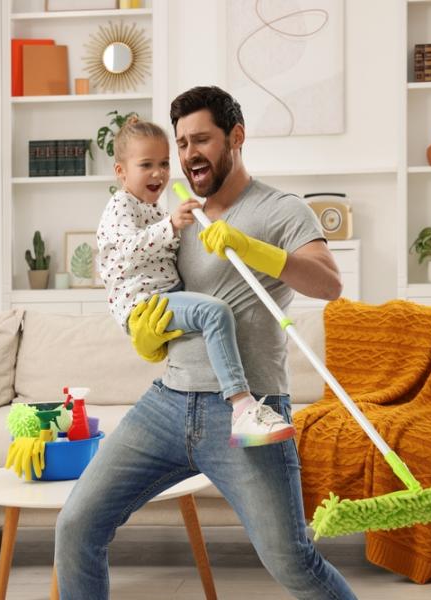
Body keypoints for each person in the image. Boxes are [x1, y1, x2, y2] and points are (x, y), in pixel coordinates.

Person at [56, 86, 355, 600]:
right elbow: (139, 279)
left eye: (201, 140)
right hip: (167, 403)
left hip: (247, 410)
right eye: (182, 143)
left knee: (293, 562)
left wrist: (251, 247)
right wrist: (147, 332)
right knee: (77, 525)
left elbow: (328, 284)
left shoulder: (283, 209)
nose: (190, 154)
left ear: (236, 137)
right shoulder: (177, 215)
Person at [95, 115, 295, 447]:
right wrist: (171, 226)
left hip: (164, 297)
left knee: (214, 315)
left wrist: (187, 228)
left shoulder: (154, 209)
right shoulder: (120, 207)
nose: (158, 173)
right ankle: (242, 408)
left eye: (163, 163)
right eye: (146, 165)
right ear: (121, 172)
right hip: (145, 304)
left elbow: (166, 252)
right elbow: (125, 251)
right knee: (215, 313)